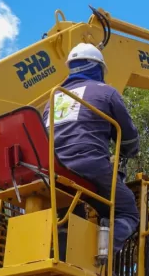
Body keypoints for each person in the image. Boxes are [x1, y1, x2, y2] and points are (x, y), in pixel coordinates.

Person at [42, 42, 140, 257]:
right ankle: (96, 253)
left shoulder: (52, 99)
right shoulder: (106, 92)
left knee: (70, 205)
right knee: (128, 211)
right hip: (90, 167)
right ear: (98, 68)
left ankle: (65, 250)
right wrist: (129, 151)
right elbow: (129, 138)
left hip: (53, 172)